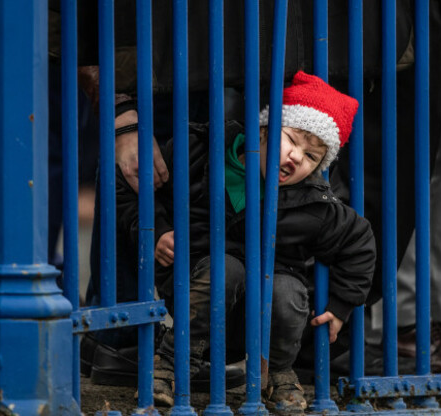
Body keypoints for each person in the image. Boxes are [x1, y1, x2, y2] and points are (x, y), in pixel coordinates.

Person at [117, 71, 376, 413]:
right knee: (226, 269)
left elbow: (360, 241)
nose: (297, 157)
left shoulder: (314, 203)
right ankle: (171, 366)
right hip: (200, 281)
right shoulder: (200, 150)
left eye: (312, 157)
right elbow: (138, 191)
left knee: (286, 291)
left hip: (266, 301)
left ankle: (279, 372)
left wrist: (340, 306)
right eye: (292, 139)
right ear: (265, 128)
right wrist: (157, 232)